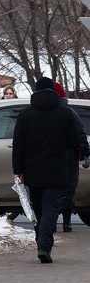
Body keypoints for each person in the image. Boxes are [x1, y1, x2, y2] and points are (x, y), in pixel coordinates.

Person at [12, 76, 83, 263]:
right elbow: (73, 141)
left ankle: (41, 243)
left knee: (38, 208)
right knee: (51, 207)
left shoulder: (26, 114)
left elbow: (18, 144)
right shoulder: (65, 114)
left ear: (36, 91)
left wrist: (17, 170)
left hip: (32, 170)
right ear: (53, 91)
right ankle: (44, 245)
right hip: (57, 168)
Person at [52, 81, 90, 232]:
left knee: (52, 190)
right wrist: (86, 153)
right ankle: (67, 223)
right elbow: (81, 135)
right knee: (68, 189)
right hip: (68, 156)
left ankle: (51, 221)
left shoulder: (42, 113)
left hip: (49, 157)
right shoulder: (70, 113)